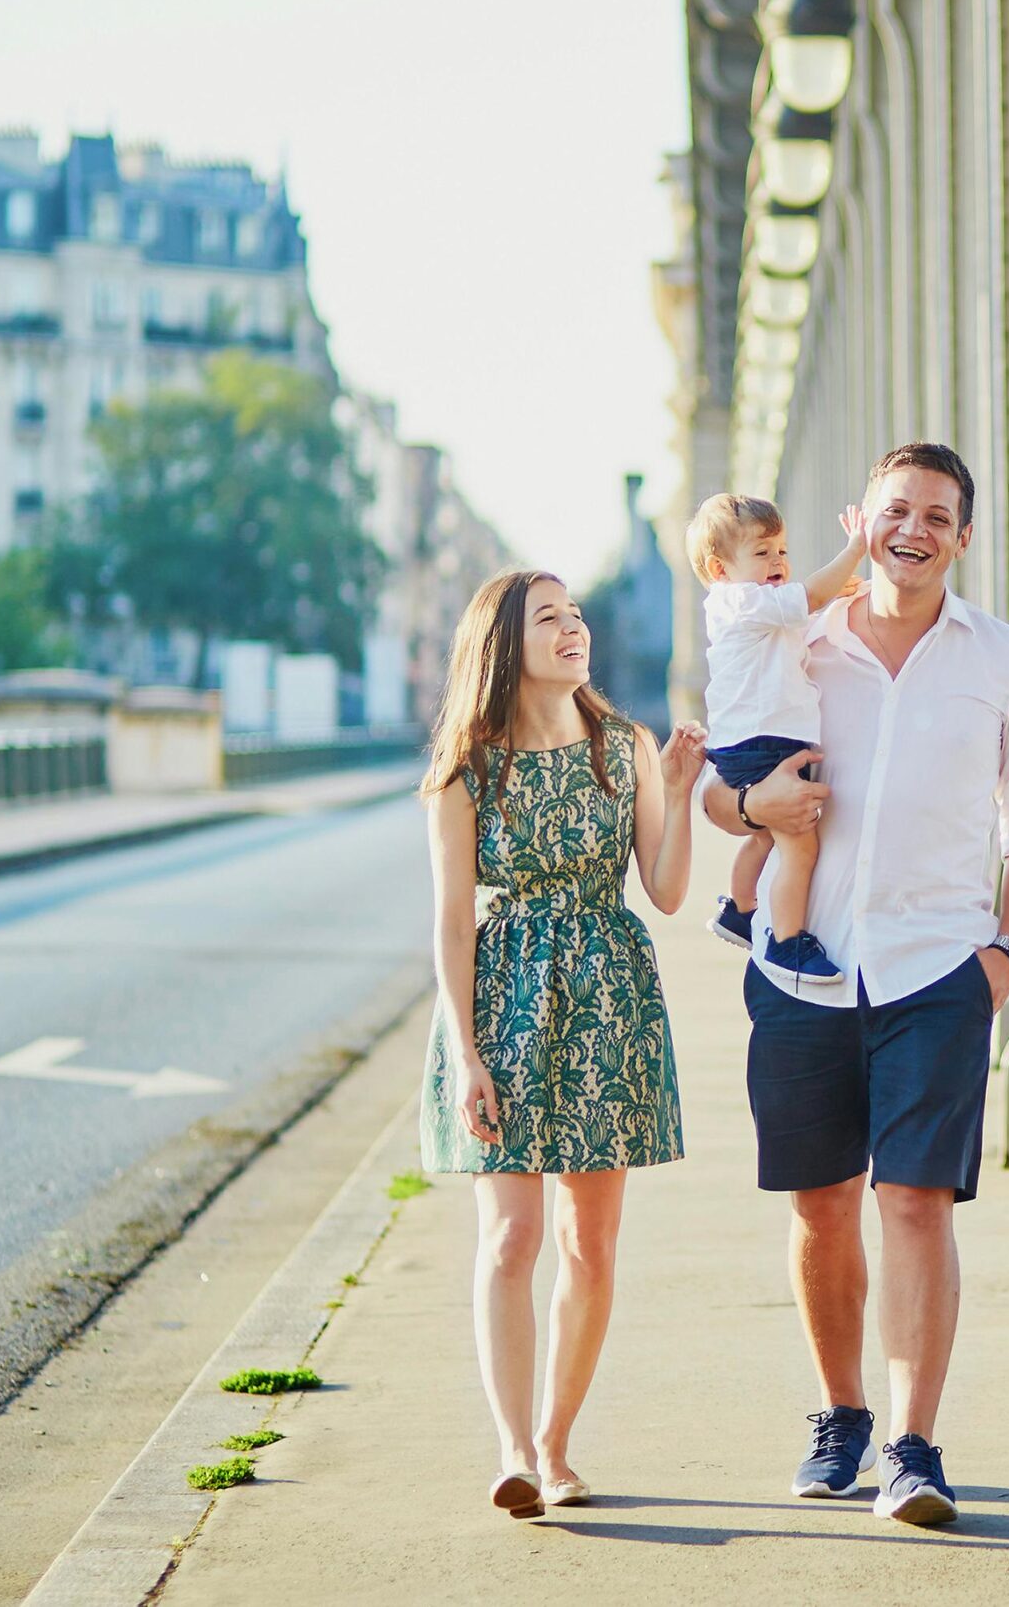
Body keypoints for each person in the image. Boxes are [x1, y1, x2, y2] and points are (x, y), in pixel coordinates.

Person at [703, 440, 1009, 1525]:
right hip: (800, 972)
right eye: (896, 508)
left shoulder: (1004, 659)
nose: (915, 528)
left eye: (938, 515)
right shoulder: (790, 638)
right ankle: (839, 1416)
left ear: (961, 535)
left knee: (914, 1205)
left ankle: (914, 1447)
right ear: (861, 518)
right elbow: (727, 790)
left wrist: (1007, 954)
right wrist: (749, 814)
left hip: (938, 971)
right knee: (821, 1210)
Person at [418, 568, 706, 1520]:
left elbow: (663, 891)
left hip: (606, 1004)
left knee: (590, 1242)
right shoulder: (466, 765)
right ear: (506, 644)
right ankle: (510, 1447)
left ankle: (556, 1442)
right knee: (512, 1236)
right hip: (503, 1004)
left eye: (576, 614)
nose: (574, 627)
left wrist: (678, 786)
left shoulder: (625, 746)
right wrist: (466, 1055)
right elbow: (453, 924)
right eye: (551, 617)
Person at [682, 490, 868, 988]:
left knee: (767, 834)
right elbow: (806, 599)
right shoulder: (739, 601)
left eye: (782, 551)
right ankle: (788, 942)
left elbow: (803, 613)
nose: (777, 562)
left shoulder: (752, 609)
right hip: (765, 743)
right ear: (720, 569)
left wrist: (840, 593)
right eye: (761, 553)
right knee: (799, 848)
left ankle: (741, 911)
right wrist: (853, 549)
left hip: (753, 742)